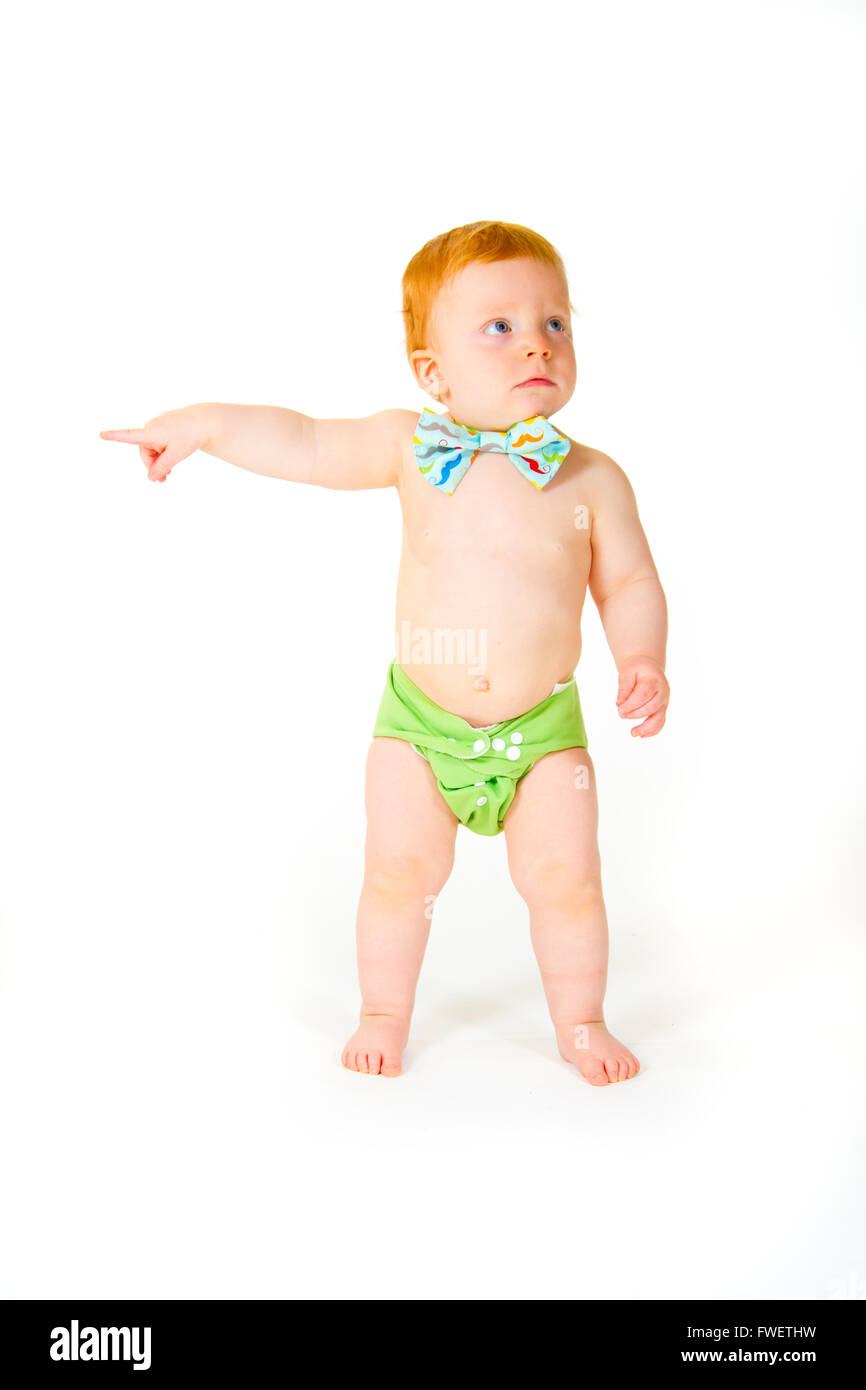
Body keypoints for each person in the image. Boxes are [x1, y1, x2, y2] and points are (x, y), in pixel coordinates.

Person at [100, 220, 669, 1085]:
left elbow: (627, 583)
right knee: (400, 874)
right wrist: (208, 424)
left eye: (555, 322)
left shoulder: (592, 478)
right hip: (419, 727)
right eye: (500, 326)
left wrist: (642, 658)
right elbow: (307, 442)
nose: (537, 345)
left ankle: (582, 1021)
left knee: (567, 882)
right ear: (430, 372)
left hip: (542, 733)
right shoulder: (411, 447)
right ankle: (383, 1012)